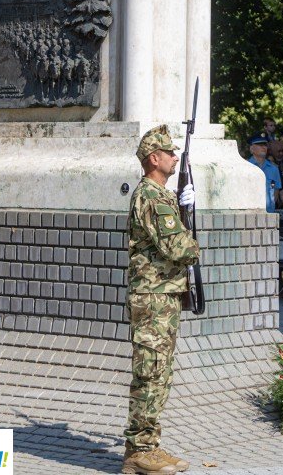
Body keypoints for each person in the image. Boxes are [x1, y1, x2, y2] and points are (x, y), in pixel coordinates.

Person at [123, 125, 199, 474]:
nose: (174, 157)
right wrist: (192, 240)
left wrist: (183, 209)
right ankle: (138, 450)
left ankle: (149, 445)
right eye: (169, 152)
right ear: (154, 158)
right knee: (150, 372)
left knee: (160, 374)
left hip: (162, 295)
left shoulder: (161, 196)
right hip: (153, 297)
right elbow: (178, 248)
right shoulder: (152, 197)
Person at [247, 133, 283, 213]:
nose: (263, 147)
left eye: (265, 145)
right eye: (260, 145)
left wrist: (271, 207)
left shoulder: (274, 168)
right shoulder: (246, 167)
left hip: (269, 213)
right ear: (251, 149)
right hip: (250, 213)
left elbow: (276, 190)